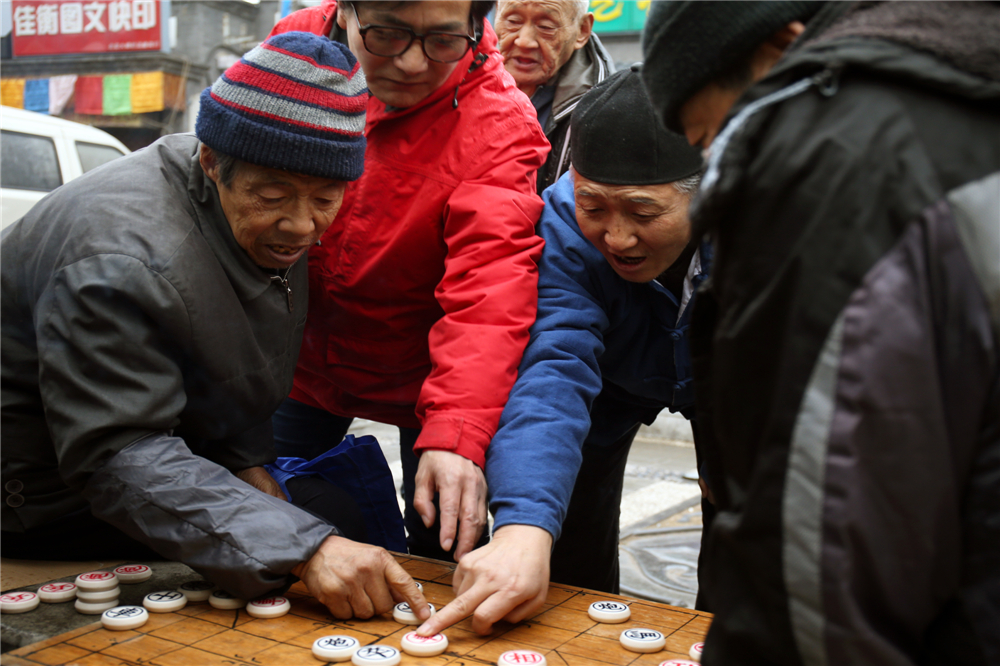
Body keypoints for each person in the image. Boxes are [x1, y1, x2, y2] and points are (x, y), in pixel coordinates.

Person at [1, 32, 428, 622]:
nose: (303, 225)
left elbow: (221, 363)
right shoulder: (122, 261)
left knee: (333, 511)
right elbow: (118, 450)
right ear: (211, 162)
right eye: (273, 195)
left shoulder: (250, 208)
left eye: (327, 198)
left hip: (151, 458)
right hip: (37, 499)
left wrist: (244, 465)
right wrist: (300, 548)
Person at [641, 2, 1000, 664]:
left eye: (710, 135)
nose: (716, 163)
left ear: (782, 48)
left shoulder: (841, 155)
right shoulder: (964, 97)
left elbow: (820, 558)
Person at [420, 68, 707, 636]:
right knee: (558, 530)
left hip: (731, 377)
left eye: (643, 214)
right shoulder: (563, 230)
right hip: (611, 380)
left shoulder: (763, 224)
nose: (617, 237)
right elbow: (553, 367)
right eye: (594, 206)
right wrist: (522, 527)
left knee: (744, 538)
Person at [268, 0, 548, 562]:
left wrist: (457, 431)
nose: (415, 64)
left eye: (444, 40)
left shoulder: (501, 125)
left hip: (427, 375)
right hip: (296, 356)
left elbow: (489, 294)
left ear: (474, 26)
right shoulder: (292, 49)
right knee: (269, 513)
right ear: (344, 11)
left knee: (444, 532)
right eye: (388, 35)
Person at [495, 0, 615, 190]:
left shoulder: (602, 112)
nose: (524, 41)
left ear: (582, 30)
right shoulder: (456, 75)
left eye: (546, 27)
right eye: (513, 21)